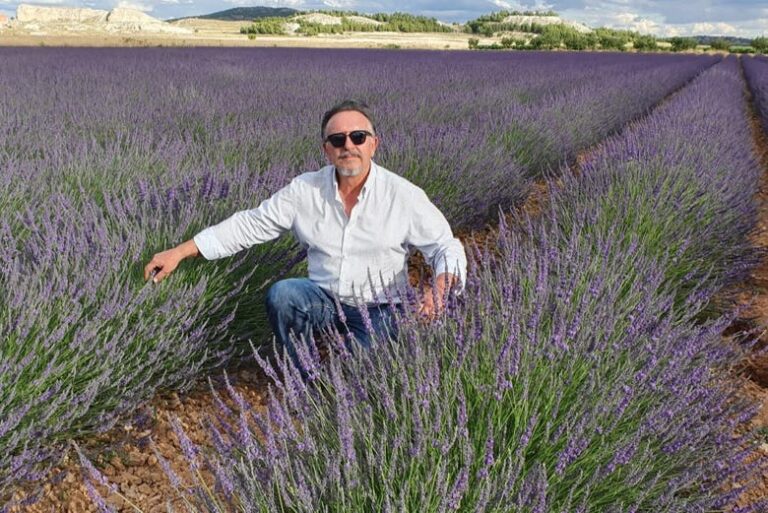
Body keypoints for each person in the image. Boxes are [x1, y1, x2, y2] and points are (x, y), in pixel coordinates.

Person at [144, 100, 467, 369]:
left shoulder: (403, 195)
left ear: (373, 144)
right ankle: (304, 375)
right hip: (323, 300)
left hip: (381, 307)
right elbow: (250, 224)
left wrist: (439, 288)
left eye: (357, 136)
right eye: (338, 140)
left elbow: (444, 246)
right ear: (327, 150)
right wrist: (181, 252)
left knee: (360, 369)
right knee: (284, 295)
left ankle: (351, 368)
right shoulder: (305, 189)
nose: (348, 146)